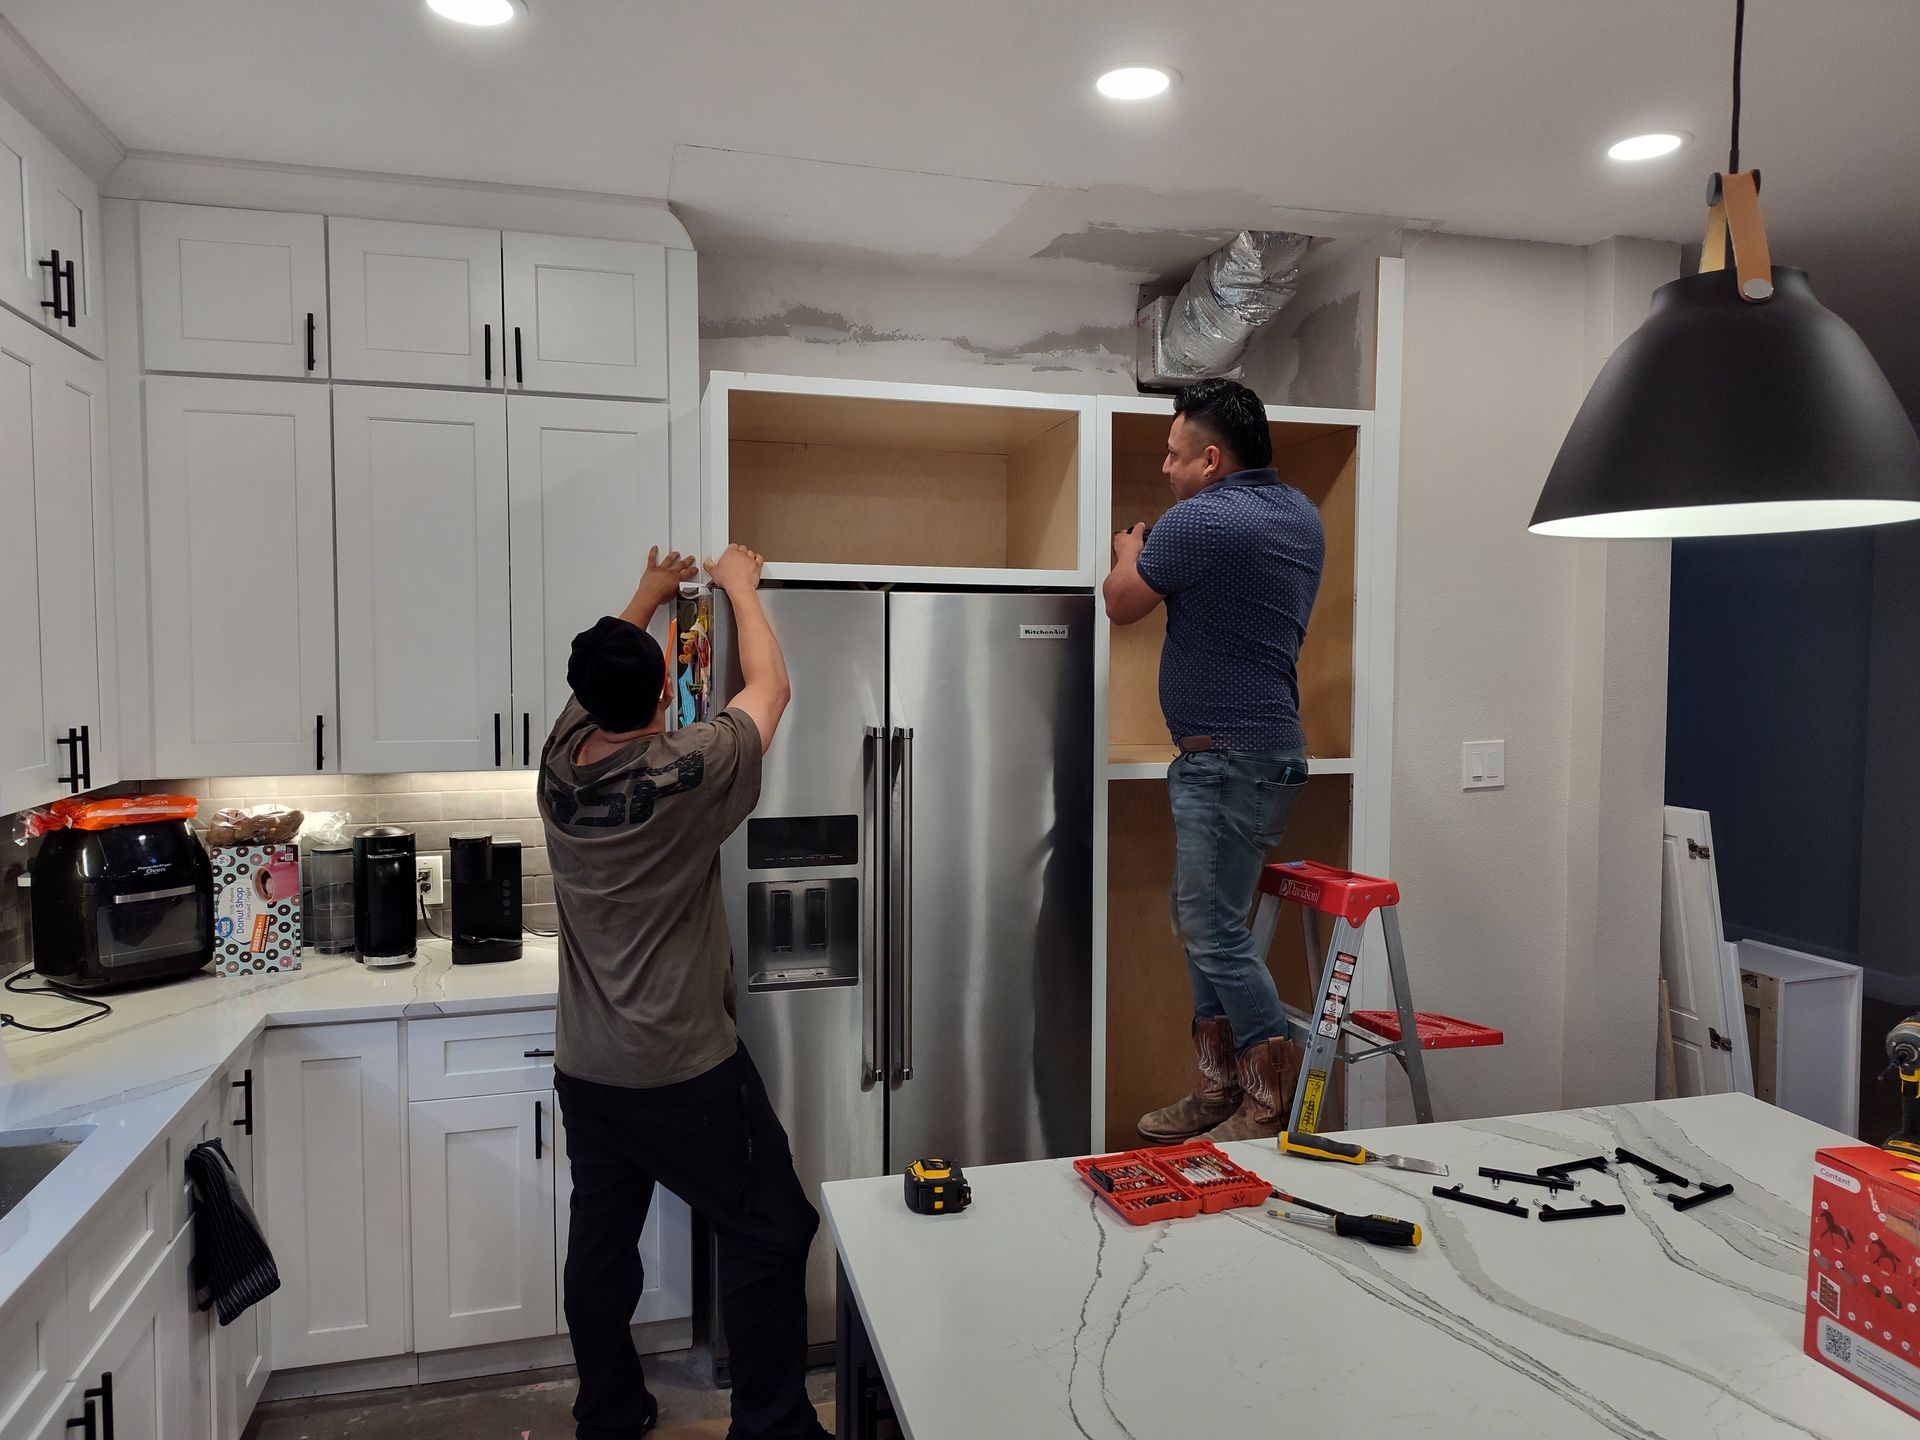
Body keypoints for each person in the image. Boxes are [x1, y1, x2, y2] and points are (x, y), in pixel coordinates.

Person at [540, 543, 828, 1440]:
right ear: (666, 694)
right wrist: (738, 586)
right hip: (682, 1070)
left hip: (590, 1072)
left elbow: (607, 670)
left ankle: (611, 1412)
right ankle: (774, 1426)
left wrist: (650, 592)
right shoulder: (685, 774)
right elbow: (769, 693)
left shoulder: (557, 764)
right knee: (772, 1228)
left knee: (601, 1248)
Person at [1102, 378, 1326, 1144]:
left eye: (1173, 455)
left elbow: (1122, 604)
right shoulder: (1300, 514)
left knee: (1209, 925)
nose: (1164, 469)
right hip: (1270, 759)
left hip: (1225, 763)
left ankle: (1266, 1104)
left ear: (1210, 456)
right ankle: (1219, 1087)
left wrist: (1131, 552)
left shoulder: (1199, 521)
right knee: (1208, 923)